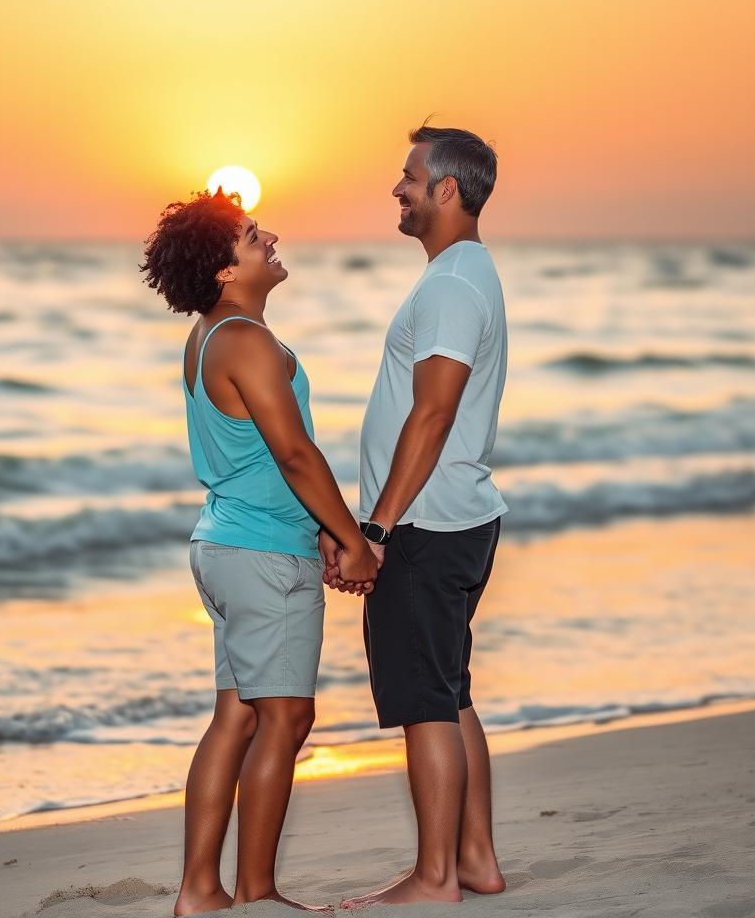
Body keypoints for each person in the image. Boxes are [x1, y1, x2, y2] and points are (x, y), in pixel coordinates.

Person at [141, 190, 378, 916]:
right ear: (221, 269)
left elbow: (259, 462)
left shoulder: (214, 335)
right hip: (262, 558)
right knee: (286, 719)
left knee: (238, 716)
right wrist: (352, 540)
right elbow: (296, 455)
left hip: (228, 546)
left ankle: (200, 893)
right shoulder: (244, 341)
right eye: (250, 236)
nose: (269, 238)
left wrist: (319, 530)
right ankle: (257, 894)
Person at [328, 124, 509, 907]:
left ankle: (435, 878)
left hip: (428, 526)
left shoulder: (450, 286)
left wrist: (374, 531)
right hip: (452, 516)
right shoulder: (462, 274)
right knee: (449, 689)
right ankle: (474, 860)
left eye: (407, 177)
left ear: (445, 190)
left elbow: (431, 416)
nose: (396, 189)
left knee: (427, 701)